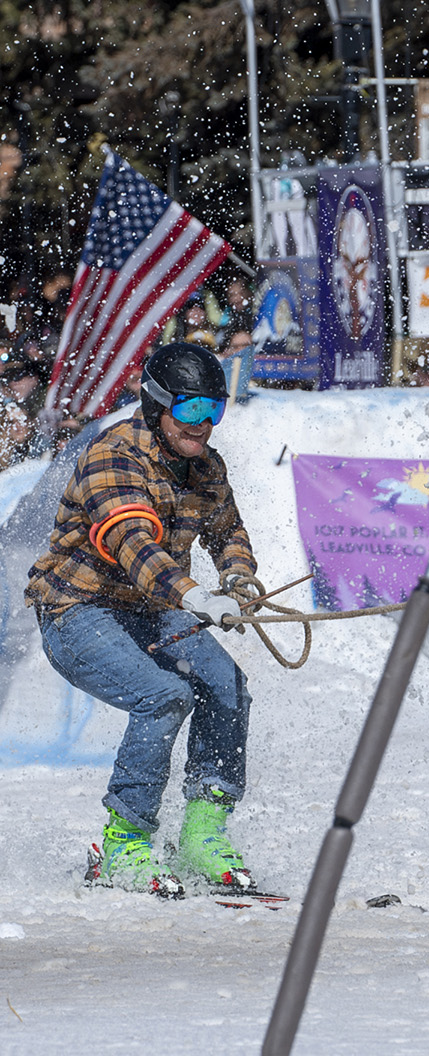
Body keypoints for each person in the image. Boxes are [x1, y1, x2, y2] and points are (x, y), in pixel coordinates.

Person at [27, 342, 258, 899]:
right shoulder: (113, 456)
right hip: (77, 611)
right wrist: (195, 594)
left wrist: (239, 579)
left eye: (213, 411)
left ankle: (203, 832)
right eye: (191, 410)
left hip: (149, 611)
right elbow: (131, 543)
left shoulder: (206, 467)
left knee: (228, 686)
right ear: (156, 405)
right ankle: (122, 843)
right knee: (164, 695)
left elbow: (228, 532)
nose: (203, 425)